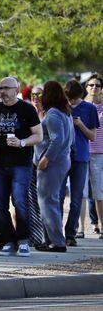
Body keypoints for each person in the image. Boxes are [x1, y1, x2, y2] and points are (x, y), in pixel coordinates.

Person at [0, 77, 43, 257]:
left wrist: (21, 142)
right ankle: (8, 241)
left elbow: (38, 136)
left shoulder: (27, 109)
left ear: (16, 89)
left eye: (6, 88)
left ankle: (24, 241)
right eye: (0, 88)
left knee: (19, 201)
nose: (2, 91)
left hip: (21, 164)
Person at [33, 81, 74, 252]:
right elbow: (70, 140)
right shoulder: (66, 113)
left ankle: (57, 242)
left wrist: (46, 159)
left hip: (52, 164)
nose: (40, 97)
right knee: (50, 201)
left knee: (48, 202)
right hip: (61, 161)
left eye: (43, 93)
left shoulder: (54, 114)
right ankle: (49, 239)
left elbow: (57, 139)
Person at [61, 80, 99, 246]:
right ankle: (55, 233)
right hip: (61, 157)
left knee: (77, 197)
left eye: (74, 99)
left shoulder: (89, 109)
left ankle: (71, 234)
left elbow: (93, 136)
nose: (72, 102)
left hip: (81, 157)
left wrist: (80, 124)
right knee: (59, 197)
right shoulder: (61, 108)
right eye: (69, 99)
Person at [27, 86, 46, 247]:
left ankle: (47, 237)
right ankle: (35, 237)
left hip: (46, 163)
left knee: (45, 200)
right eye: (33, 95)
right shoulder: (27, 112)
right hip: (29, 162)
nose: (36, 97)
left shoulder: (49, 114)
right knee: (31, 201)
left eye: (39, 95)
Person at [85, 74, 103, 237]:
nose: (94, 88)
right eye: (91, 85)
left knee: (99, 192)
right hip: (83, 153)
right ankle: (85, 226)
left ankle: (101, 226)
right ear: (86, 87)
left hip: (100, 154)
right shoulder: (81, 107)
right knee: (83, 192)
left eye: (97, 85)